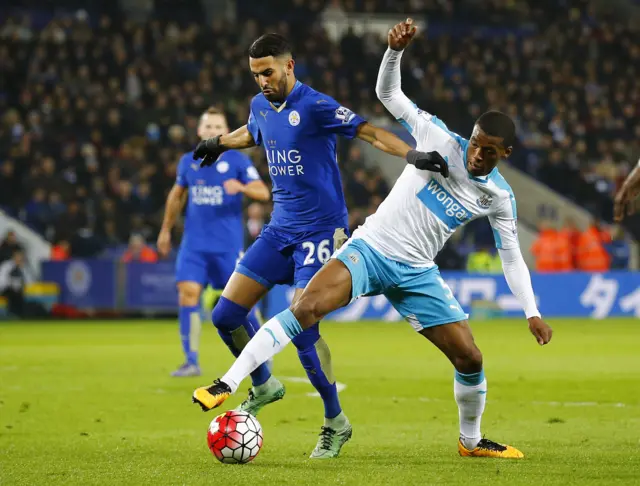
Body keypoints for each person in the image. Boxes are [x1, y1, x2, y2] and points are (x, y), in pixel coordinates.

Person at [193, 20, 553, 460]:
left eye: (488, 151)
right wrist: (394, 53)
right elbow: (390, 97)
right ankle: (234, 382)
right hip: (370, 248)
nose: (476, 154)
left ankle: (471, 441)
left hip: (417, 270)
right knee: (302, 309)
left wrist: (531, 312)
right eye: (475, 143)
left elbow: (511, 256)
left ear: (506, 155)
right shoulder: (440, 137)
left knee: (470, 359)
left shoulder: (499, 196)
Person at [191, 33, 440, 459]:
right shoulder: (259, 105)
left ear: (289, 65)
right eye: (254, 75)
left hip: (321, 233)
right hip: (279, 230)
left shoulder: (317, 105)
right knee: (226, 314)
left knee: (304, 327)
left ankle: (335, 421)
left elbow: (370, 133)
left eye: (267, 72)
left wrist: (412, 155)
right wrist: (218, 143)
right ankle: (265, 383)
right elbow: (251, 133)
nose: (261, 81)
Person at [157, 107, 271, 377]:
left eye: (216, 126)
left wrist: (241, 187)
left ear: (225, 131)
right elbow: (176, 196)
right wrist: (165, 230)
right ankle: (191, 361)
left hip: (227, 248)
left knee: (240, 304)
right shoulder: (188, 161)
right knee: (188, 294)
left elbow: (263, 192)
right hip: (194, 246)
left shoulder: (238, 162)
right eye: (206, 126)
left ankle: (261, 353)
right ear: (199, 131)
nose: (210, 131)